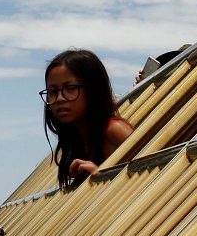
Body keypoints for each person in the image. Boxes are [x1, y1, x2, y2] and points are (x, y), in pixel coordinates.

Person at [42, 49, 134, 188]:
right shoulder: (77, 139)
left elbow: (156, 180)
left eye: (70, 88)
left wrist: (100, 177)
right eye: (52, 92)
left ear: (93, 90)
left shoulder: (113, 130)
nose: (60, 98)